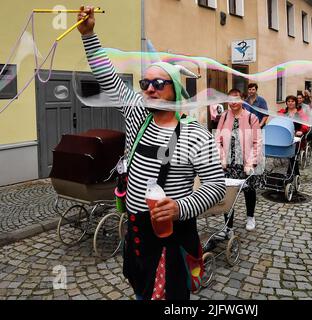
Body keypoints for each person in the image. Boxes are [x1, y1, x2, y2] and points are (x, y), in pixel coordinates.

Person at [77, 6, 225, 300]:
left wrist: (179, 207)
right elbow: (107, 77)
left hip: (173, 236)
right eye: (145, 83)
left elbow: (216, 186)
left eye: (159, 83)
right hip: (135, 231)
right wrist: (88, 34)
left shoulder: (196, 134)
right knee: (140, 290)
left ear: (176, 90)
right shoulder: (137, 116)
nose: (149, 89)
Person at [215, 89, 262, 235]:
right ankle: (228, 227)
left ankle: (250, 217)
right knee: (228, 194)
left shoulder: (251, 117)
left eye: (236, 99)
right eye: (230, 99)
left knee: (249, 190)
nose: (233, 103)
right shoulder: (223, 117)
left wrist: (252, 162)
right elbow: (217, 140)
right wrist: (221, 158)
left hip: (246, 161)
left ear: (242, 100)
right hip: (228, 163)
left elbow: (257, 141)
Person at [280, 95, 310, 176]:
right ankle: (295, 174)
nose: (290, 103)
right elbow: (277, 121)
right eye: (288, 101)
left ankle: (290, 175)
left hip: (296, 137)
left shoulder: (301, 113)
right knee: (291, 156)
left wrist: (301, 131)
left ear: (296, 102)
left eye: (292, 101)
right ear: (286, 103)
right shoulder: (282, 112)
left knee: (293, 155)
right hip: (284, 136)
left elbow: (306, 125)